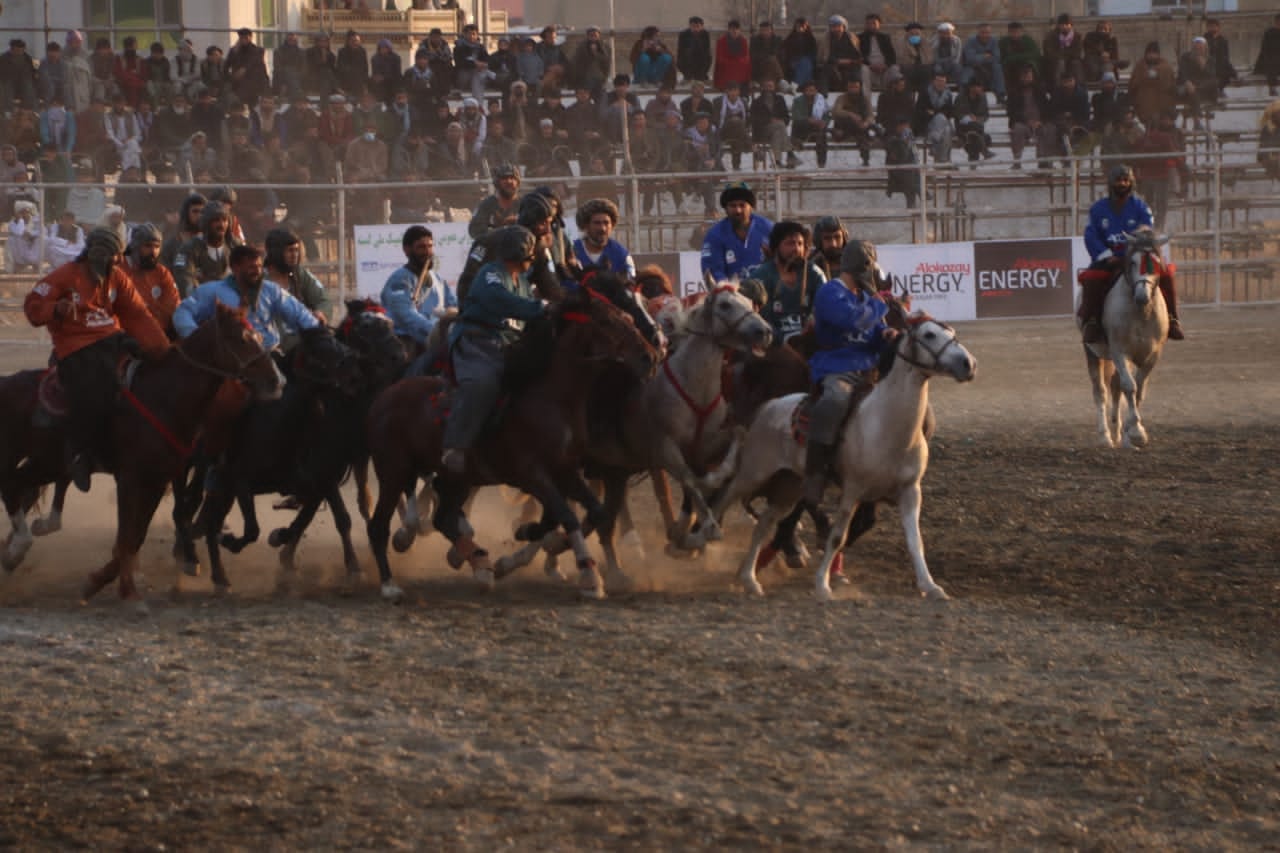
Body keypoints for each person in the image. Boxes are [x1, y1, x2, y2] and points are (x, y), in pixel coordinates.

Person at [24, 227, 170, 491]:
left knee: (144, 371)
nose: (116, 261)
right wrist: (55, 309)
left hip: (111, 339)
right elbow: (33, 307)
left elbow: (138, 315)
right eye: (112, 255)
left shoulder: (117, 278)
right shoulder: (65, 275)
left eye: (117, 256)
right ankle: (79, 452)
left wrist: (162, 349)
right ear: (96, 253)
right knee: (97, 387)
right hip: (75, 345)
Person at [441, 225, 544, 474]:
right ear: (525, 255)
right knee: (482, 383)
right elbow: (502, 300)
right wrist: (542, 307)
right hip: (476, 343)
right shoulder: (491, 274)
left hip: (507, 345)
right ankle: (456, 446)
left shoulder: (523, 283)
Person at [801, 239, 895, 505]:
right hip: (836, 366)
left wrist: (885, 334)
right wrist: (879, 303)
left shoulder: (863, 297)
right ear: (861, 268)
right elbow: (853, 320)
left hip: (867, 369)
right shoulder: (831, 292)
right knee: (834, 402)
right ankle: (815, 473)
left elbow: (873, 332)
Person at [1081, 164, 1183, 344]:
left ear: (1131, 183)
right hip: (1109, 259)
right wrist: (1105, 255)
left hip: (1137, 256)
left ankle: (1173, 319)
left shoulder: (1141, 207)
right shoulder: (1098, 209)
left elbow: (1147, 230)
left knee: (1167, 275)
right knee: (1091, 279)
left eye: (1126, 180)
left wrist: (1141, 242)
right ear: (1111, 183)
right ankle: (1091, 322)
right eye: (1119, 180)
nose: (1122, 184)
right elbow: (1091, 235)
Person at [173, 244, 319, 354]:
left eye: (260, 266)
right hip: (233, 359)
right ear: (235, 268)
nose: (257, 271)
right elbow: (183, 312)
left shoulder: (270, 289)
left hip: (269, 355)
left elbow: (298, 312)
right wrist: (196, 338)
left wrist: (317, 331)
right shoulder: (213, 290)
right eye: (251, 267)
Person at [381, 224, 457, 363]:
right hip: (408, 345)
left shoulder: (437, 279)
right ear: (407, 250)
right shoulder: (400, 280)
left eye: (430, 246)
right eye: (421, 247)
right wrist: (436, 331)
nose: (428, 252)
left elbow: (453, 305)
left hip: (436, 341)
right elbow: (406, 316)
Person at [750, 220, 825, 344]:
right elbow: (760, 321)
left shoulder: (814, 273)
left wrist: (815, 319)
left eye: (800, 243)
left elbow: (825, 304)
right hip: (773, 345)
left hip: (810, 341)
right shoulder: (761, 277)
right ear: (776, 247)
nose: (796, 249)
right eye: (790, 243)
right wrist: (783, 341)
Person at [264, 228, 331, 353]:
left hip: (305, 345)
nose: (295, 255)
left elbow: (323, 300)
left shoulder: (300, 274)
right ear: (275, 253)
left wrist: (321, 313)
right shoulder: (260, 282)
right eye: (290, 251)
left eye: (296, 250)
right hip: (275, 351)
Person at [701, 181, 773, 281]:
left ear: (751, 207)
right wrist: (728, 290)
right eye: (732, 206)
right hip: (731, 293)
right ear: (725, 208)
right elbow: (713, 271)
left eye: (742, 205)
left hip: (766, 291)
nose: (738, 210)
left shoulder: (769, 229)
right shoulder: (715, 235)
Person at [123, 222, 181, 336]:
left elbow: (174, 306)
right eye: (148, 246)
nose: (153, 252)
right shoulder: (118, 270)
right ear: (135, 246)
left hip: (159, 334)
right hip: (126, 337)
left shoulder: (162, 273)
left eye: (157, 247)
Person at [170, 200, 237, 297]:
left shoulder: (235, 247)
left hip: (232, 303)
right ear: (206, 223)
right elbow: (184, 279)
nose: (221, 225)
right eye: (216, 220)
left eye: (224, 220)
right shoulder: (188, 249)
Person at [572, 198, 635, 278]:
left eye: (606, 223)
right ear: (586, 225)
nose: (602, 228)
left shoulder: (621, 255)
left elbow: (630, 284)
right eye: (597, 223)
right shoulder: (572, 252)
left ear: (612, 225)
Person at [470, 162, 522, 240]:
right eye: (504, 178)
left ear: (517, 182)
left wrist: (518, 222)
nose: (509, 181)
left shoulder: (526, 204)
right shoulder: (487, 205)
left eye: (512, 178)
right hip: (494, 246)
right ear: (497, 183)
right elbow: (474, 229)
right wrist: (498, 229)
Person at [809, 215, 848, 279]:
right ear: (819, 241)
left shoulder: (854, 265)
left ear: (844, 239)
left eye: (837, 237)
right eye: (827, 238)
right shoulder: (811, 268)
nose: (833, 244)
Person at [677, 16, 712, 83]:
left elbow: (707, 49)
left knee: (708, 56)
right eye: (693, 26)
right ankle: (687, 76)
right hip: (688, 57)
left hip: (701, 57)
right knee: (683, 57)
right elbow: (681, 51)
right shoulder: (683, 34)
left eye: (698, 26)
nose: (695, 29)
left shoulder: (705, 34)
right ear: (690, 26)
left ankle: (702, 75)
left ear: (702, 26)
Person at [1254, 13, 1280, 96]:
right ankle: (1272, 88)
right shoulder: (1269, 33)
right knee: (1272, 63)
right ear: (1276, 22)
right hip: (1271, 60)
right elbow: (1265, 49)